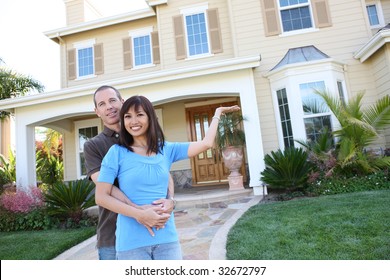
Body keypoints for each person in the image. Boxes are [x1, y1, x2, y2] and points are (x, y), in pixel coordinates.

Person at [95, 95, 240, 260]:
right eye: (128, 116)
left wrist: (217, 113)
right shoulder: (116, 153)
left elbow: (206, 143)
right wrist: (139, 214)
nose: (133, 121)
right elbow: (101, 197)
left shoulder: (166, 149)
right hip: (131, 243)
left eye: (140, 114)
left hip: (167, 240)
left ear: (150, 117)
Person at [84, 86, 175, 260]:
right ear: (97, 111)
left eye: (112, 100)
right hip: (113, 234)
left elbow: (165, 174)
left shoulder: (147, 139)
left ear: (122, 102)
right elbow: (106, 188)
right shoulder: (93, 146)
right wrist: (139, 211)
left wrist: (170, 200)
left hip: (157, 229)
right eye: (102, 104)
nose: (109, 106)